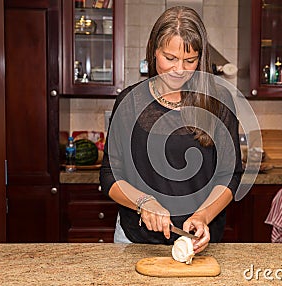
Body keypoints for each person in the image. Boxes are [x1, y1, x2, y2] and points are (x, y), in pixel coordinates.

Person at [100, 6, 242, 254]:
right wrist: (143, 202)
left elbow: (229, 174)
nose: (179, 70)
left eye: (190, 60)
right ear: (154, 52)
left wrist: (204, 215)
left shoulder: (219, 101)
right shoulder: (129, 101)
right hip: (137, 242)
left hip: (199, 242)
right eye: (170, 58)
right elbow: (110, 175)